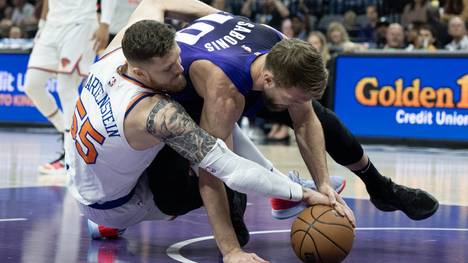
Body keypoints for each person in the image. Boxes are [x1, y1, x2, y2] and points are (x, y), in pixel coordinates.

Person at [66, 1, 350, 262]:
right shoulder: (155, 114)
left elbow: (153, 2)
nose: (181, 70)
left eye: (178, 58)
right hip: (117, 205)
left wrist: (222, 19)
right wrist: (298, 195)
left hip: (83, 171)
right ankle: (112, 222)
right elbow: (227, 168)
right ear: (140, 74)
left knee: (212, 120)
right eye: (169, 69)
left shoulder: (118, 51)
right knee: (210, 170)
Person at [170, 11, 438, 223]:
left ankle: (381, 188)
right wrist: (232, 248)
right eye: (295, 97)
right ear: (269, 79)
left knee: (321, 118)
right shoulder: (223, 87)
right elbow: (219, 168)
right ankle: (282, 192)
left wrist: (323, 185)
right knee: (180, 191)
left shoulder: (281, 47)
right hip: (193, 99)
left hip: (246, 71)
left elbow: (306, 119)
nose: (299, 104)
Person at [24, 0, 116, 175]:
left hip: (80, 23)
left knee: (66, 88)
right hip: (51, 26)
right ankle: (69, 133)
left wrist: (105, 23)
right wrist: (42, 24)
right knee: (32, 85)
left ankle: (70, 157)